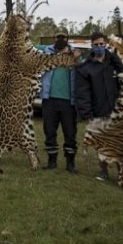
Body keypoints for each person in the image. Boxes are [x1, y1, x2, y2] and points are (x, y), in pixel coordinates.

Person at [75, 31, 123, 181]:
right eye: (96, 45)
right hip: (98, 111)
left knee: (119, 143)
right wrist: (87, 114)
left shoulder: (113, 62)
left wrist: (112, 54)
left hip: (116, 110)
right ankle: (103, 171)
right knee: (101, 143)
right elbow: (83, 93)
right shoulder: (86, 68)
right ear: (92, 46)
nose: (99, 47)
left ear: (106, 45)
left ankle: (122, 172)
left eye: (102, 44)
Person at [40, 27, 79, 173]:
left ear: (67, 38)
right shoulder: (47, 51)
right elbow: (30, 47)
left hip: (68, 101)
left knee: (70, 132)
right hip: (49, 99)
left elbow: (82, 65)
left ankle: (70, 162)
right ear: (54, 38)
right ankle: (52, 160)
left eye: (63, 37)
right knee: (49, 130)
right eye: (58, 37)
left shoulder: (74, 53)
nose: (60, 40)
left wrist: (76, 58)